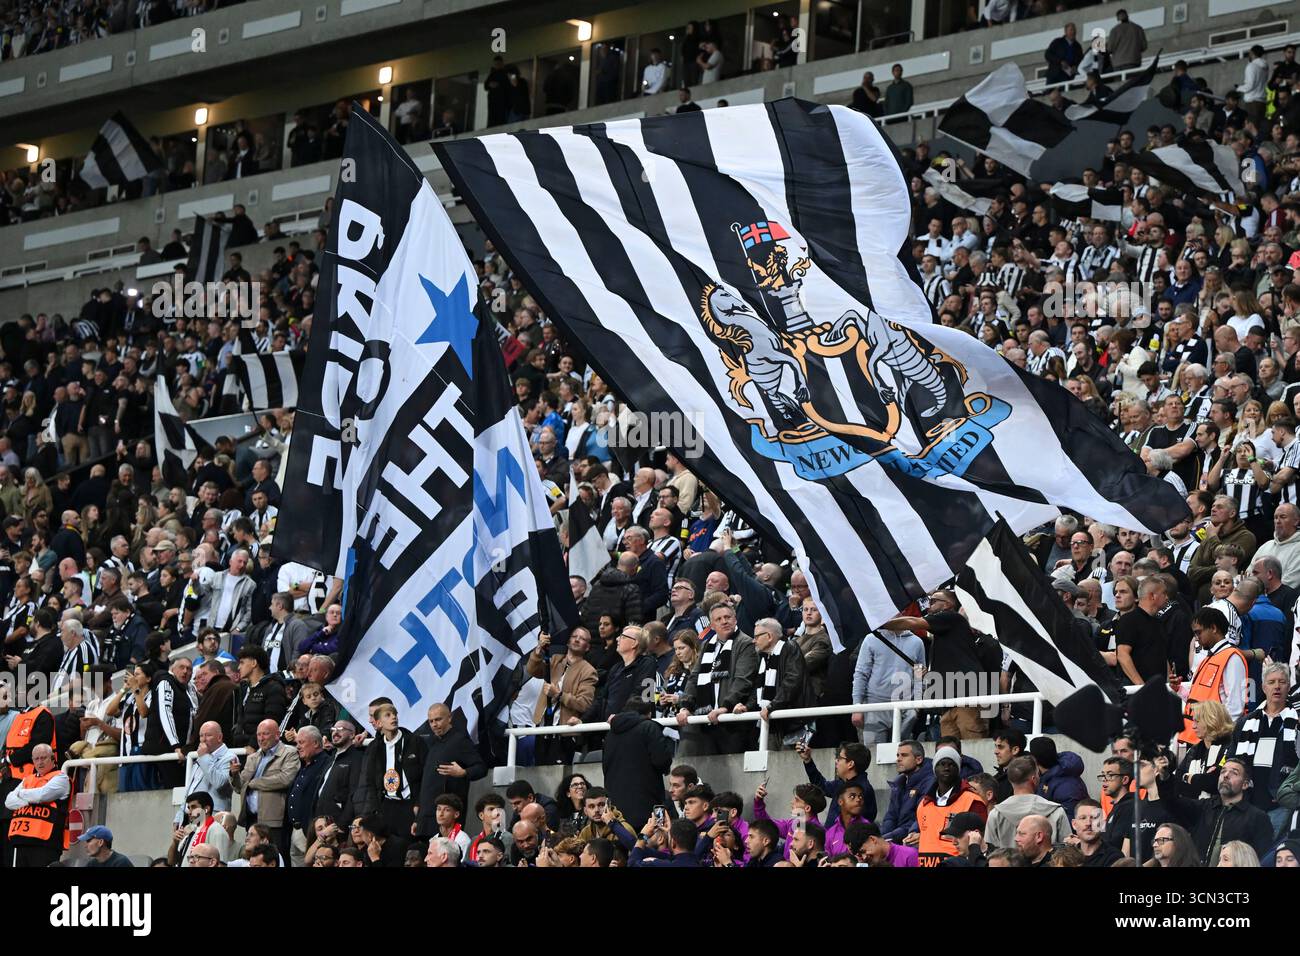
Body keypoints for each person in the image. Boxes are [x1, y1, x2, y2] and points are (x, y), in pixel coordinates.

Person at [230, 718, 301, 863]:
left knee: (276, 859)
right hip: (251, 819)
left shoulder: (289, 753)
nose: (261, 738)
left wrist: (254, 783)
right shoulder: (253, 757)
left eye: (265, 734)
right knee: (255, 861)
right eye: (258, 735)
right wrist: (234, 774)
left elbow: (286, 779)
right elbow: (240, 787)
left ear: (277, 734)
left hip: (274, 820)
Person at [602, 697, 674, 831]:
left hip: (617, 809)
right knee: (650, 848)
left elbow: (605, 768)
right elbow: (662, 761)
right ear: (648, 714)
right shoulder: (649, 727)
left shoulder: (610, 734)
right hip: (647, 806)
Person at [359, 702, 426, 841]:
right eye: (388, 715)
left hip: (409, 805)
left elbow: (426, 776)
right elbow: (370, 780)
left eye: (395, 714)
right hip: (387, 806)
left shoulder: (414, 741)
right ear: (378, 723)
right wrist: (377, 808)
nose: (393, 718)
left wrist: (419, 804)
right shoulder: (375, 747)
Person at [914, 745, 987, 867]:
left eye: (951, 764)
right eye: (941, 764)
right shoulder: (924, 803)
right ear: (934, 769)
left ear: (958, 769)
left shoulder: (973, 800)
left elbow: (978, 838)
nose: (946, 768)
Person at [4, 743, 68, 867]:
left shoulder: (61, 778)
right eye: (36, 759)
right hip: (22, 840)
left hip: (46, 843)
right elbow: (9, 801)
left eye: (43, 758)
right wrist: (30, 799)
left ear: (52, 758)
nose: (40, 762)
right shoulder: (28, 779)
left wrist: (21, 794)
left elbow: (42, 795)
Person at [880, 740, 933, 841]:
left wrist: (888, 838)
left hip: (913, 839)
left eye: (904, 755)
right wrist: (881, 836)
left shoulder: (930, 782)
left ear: (918, 759)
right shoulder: (898, 783)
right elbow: (891, 816)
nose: (898, 759)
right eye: (898, 755)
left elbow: (919, 819)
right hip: (895, 838)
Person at [1069, 799, 1124, 867]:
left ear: (1103, 824)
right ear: (1074, 824)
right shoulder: (1068, 856)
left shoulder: (1114, 858)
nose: (1088, 823)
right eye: (1083, 818)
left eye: (1094, 818)